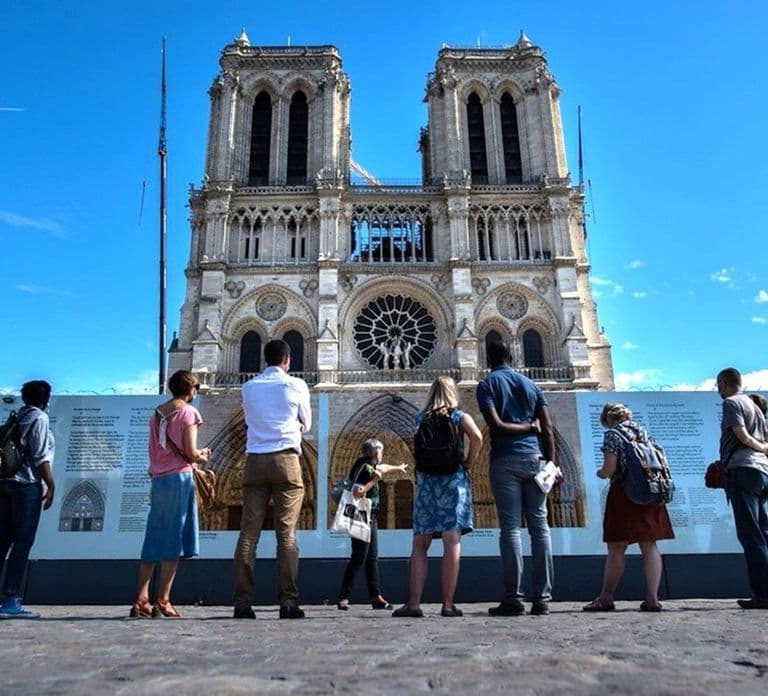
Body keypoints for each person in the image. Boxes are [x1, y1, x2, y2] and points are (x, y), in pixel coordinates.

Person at [476, 339, 556, 616]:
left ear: (488, 359)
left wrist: (522, 428)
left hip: (505, 460)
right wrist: (552, 463)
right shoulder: (532, 385)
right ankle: (543, 598)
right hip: (535, 460)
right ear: (512, 356)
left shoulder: (487, 385)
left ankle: (513, 598)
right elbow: (547, 428)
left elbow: (495, 426)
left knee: (510, 528)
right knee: (540, 528)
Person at [234, 339, 312, 619]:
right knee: (287, 534)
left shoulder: (249, 387)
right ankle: (288, 602)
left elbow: (249, 420)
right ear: (288, 360)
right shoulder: (296, 385)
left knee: (248, 534)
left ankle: (242, 603)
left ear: (264, 360)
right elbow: (308, 423)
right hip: (286, 461)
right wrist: (295, 425)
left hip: (254, 460)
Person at [393, 376, 482, 618]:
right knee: (451, 540)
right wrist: (469, 462)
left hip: (426, 483)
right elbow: (478, 438)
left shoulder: (420, 418)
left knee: (420, 544)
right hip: (453, 481)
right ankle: (448, 604)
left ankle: (413, 604)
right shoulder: (459, 416)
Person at [130, 370, 209, 619]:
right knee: (174, 539)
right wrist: (203, 455)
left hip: (159, 479)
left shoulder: (157, 413)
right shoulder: (188, 412)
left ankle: (141, 598)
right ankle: (163, 600)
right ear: (190, 390)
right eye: (195, 388)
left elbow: (154, 448)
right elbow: (191, 452)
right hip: (179, 478)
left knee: (154, 536)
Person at [583, 403, 674, 613]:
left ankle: (606, 597)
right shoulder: (643, 432)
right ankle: (652, 598)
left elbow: (609, 468)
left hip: (625, 494)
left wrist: (600, 473)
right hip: (650, 491)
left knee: (616, 547)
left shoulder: (612, 435)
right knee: (649, 545)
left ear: (608, 419)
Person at [0, 380, 55, 619]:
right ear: (45, 398)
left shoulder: (18, 416)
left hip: (6, 483)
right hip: (26, 486)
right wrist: (50, 484)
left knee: (2, 541)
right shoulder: (39, 418)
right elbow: (41, 456)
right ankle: (11, 599)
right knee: (22, 543)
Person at [716, 368, 768, 609]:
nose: (718, 390)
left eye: (719, 385)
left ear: (724, 384)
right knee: (763, 533)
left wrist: (759, 447)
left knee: (751, 535)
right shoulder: (755, 405)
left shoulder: (732, 403)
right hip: (761, 472)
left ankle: (763, 594)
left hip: (743, 470)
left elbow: (741, 434)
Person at [337, 439, 407, 611]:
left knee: (372, 558)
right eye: (381, 451)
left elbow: (382, 468)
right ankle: (343, 597)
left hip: (370, 516)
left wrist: (399, 467)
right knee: (359, 557)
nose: (382, 455)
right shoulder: (365, 469)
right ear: (376, 453)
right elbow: (358, 491)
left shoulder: (368, 464)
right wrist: (374, 481)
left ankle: (376, 596)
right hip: (360, 515)